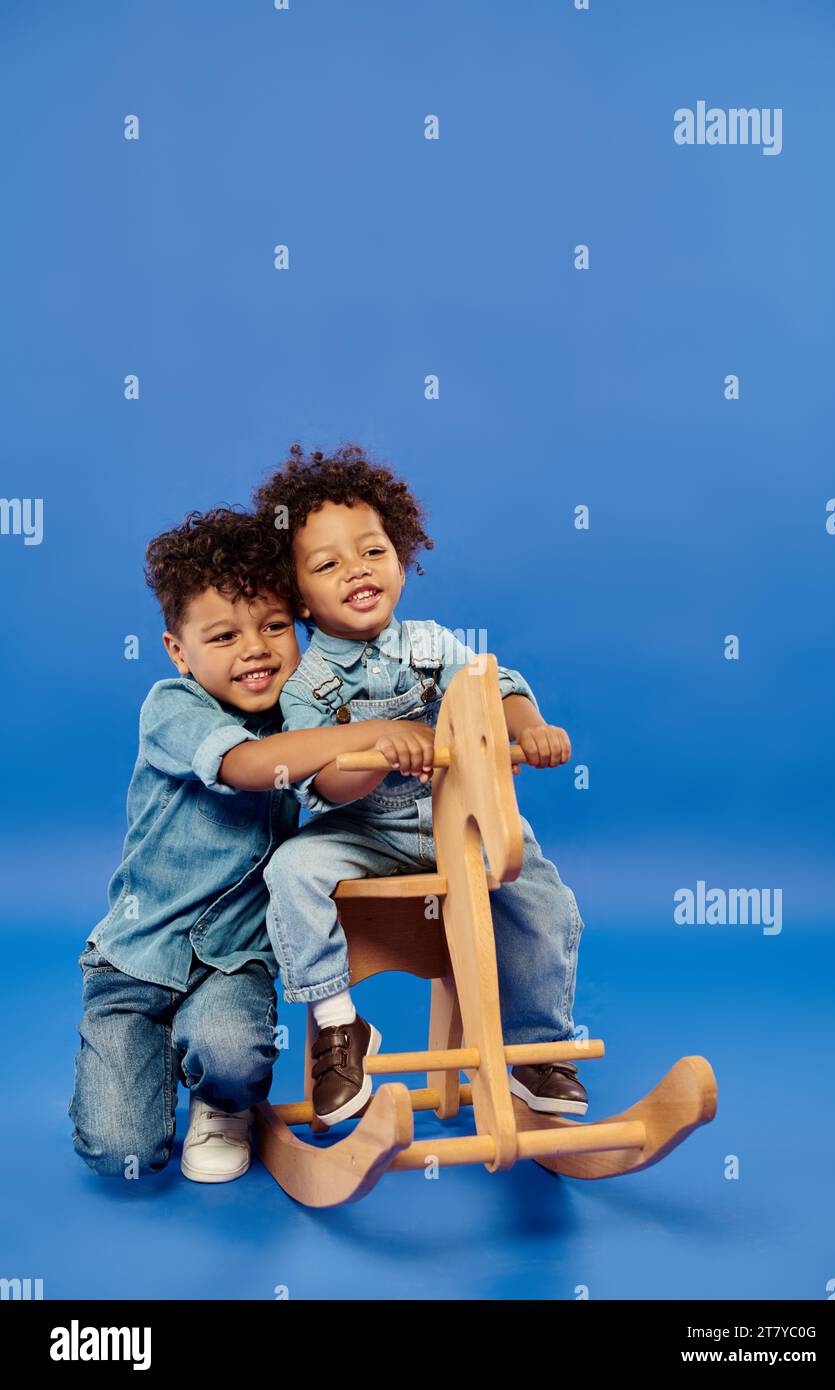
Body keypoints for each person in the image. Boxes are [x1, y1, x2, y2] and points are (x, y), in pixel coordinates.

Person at [68, 505, 420, 1183]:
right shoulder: (173, 707)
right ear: (179, 650)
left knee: (232, 1050)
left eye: (275, 627)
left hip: (235, 960)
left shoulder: (310, 715)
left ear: (303, 628)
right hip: (137, 958)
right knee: (119, 1151)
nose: (254, 649)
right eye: (224, 636)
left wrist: (389, 750)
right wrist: (364, 736)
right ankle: (134, 1055)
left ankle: (221, 1100)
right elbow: (249, 767)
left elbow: (334, 788)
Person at [253, 443, 588, 1128]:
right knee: (290, 869)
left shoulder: (431, 644)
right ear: (301, 601)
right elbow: (324, 787)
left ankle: (537, 1050)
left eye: (372, 551)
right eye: (328, 564)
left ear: (401, 555)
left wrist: (532, 724)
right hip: (361, 833)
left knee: (539, 888)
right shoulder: (307, 683)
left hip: (452, 825)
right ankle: (340, 1024)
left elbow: (497, 685)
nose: (356, 571)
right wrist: (376, 753)